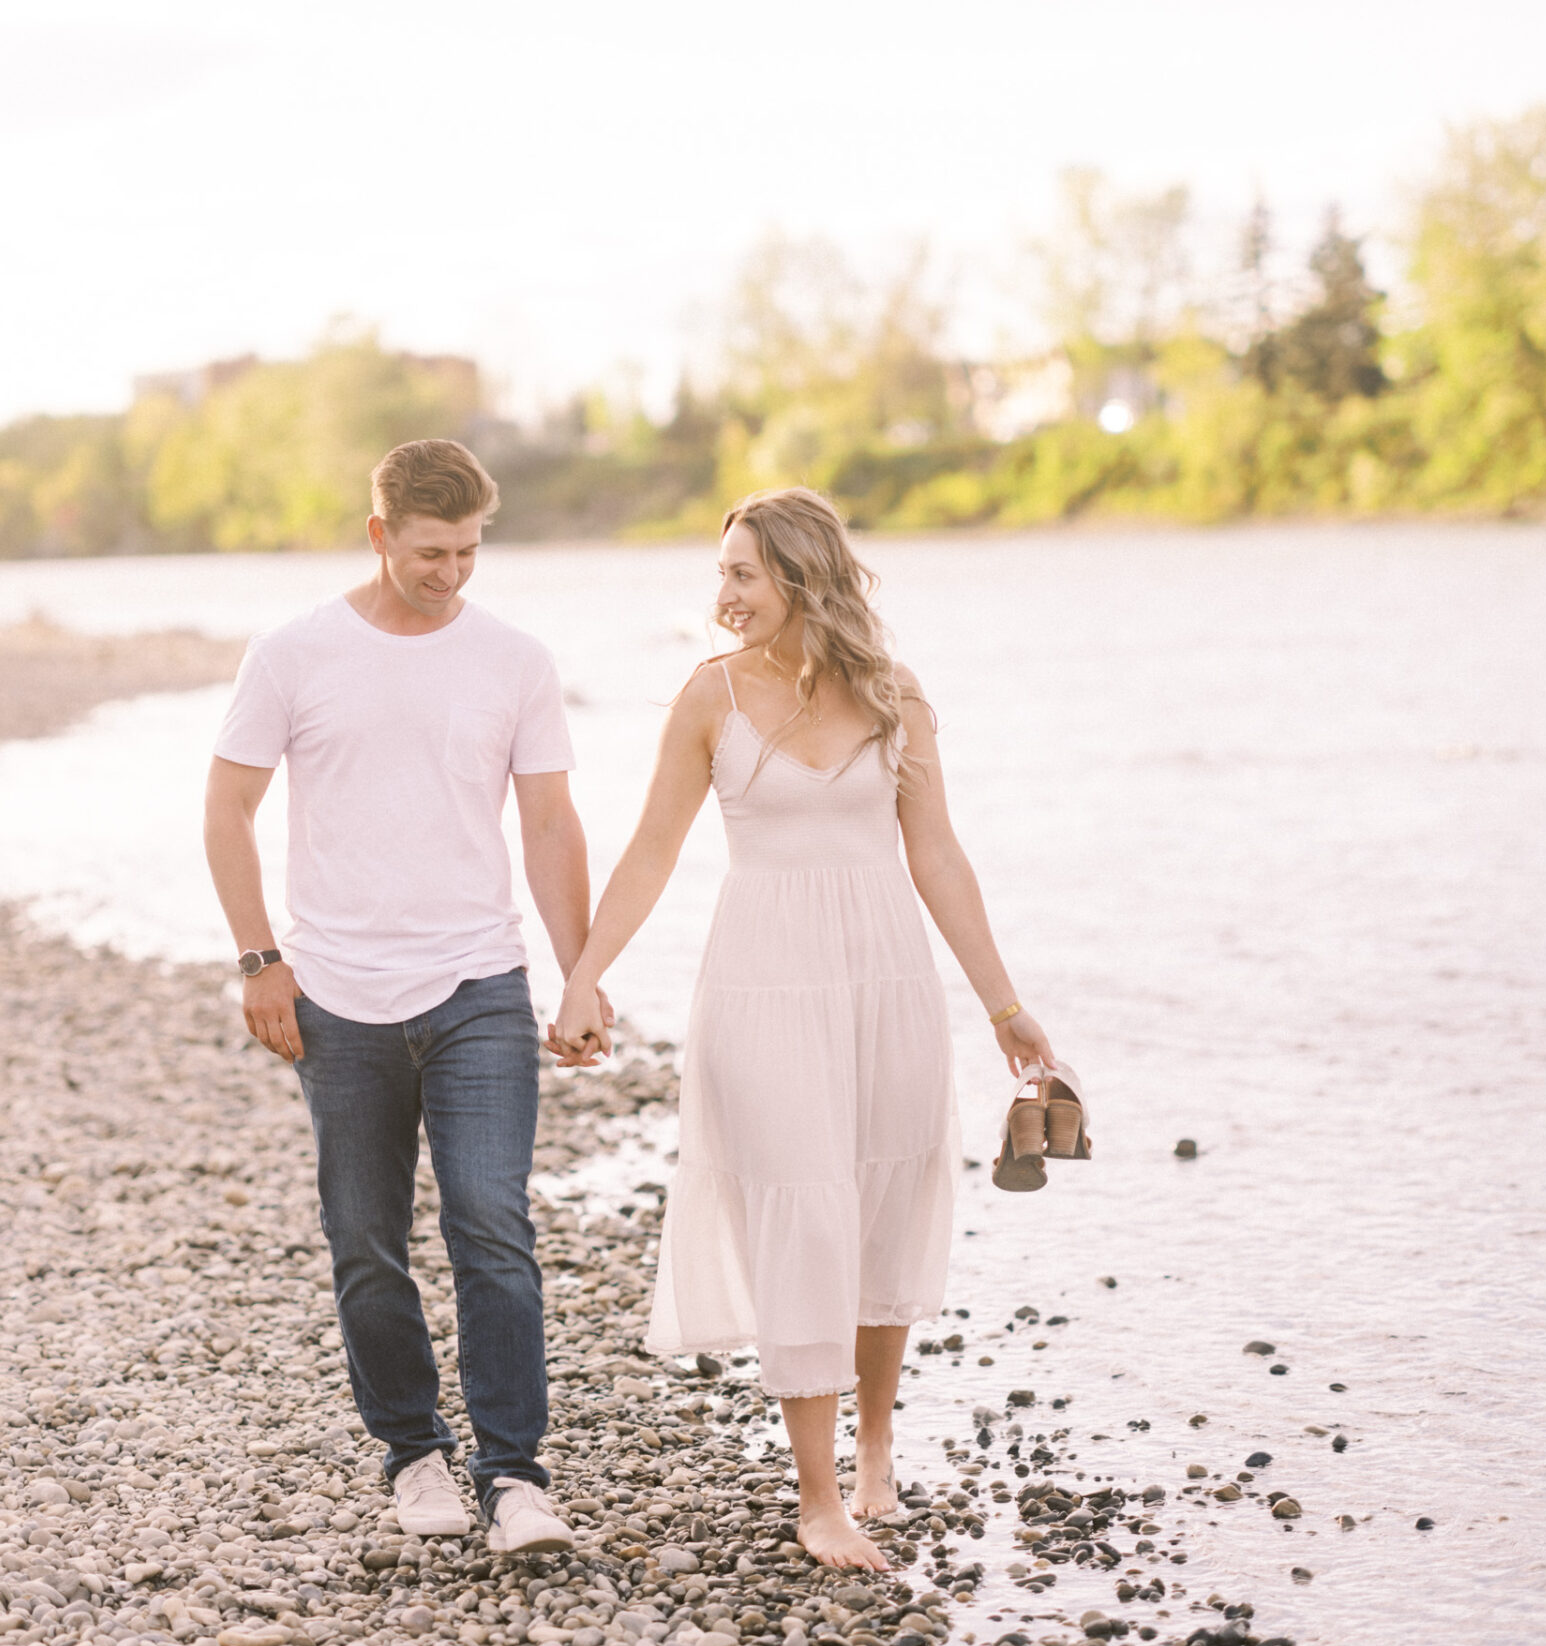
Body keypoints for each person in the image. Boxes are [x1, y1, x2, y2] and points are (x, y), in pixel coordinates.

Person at [552, 487, 1055, 1572]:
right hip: (762, 986)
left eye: (741, 573)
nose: (721, 595)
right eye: (721, 572)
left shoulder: (892, 696)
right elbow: (649, 851)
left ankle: (877, 1444)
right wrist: (587, 976)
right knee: (806, 1217)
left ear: (801, 575)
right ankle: (817, 1496)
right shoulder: (708, 698)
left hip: (886, 980)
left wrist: (1006, 1009)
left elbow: (939, 857)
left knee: (880, 1203)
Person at [204, 438, 593, 1555]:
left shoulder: (514, 659)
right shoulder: (293, 652)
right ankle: (413, 1454)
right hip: (336, 993)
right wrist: (257, 959)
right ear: (380, 535)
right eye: (431, 552)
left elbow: (552, 824)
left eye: (470, 550)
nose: (453, 571)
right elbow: (227, 810)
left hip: (480, 981)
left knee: (492, 1223)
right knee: (366, 1238)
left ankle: (515, 1476)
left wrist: (580, 973)